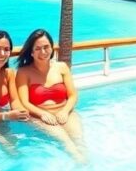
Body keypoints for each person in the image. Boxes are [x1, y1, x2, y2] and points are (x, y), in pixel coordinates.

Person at [15, 28, 85, 161]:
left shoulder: (61, 67)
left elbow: (73, 95)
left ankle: (87, 169)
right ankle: (79, 170)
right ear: (31, 52)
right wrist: (42, 114)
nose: (43, 52)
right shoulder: (24, 72)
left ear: (52, 48)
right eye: (38, 48)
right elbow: (24, 102)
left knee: (79, 142)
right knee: (66, 143)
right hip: (40, 117)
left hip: (65, 112)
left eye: (46, 47)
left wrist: (65, 111)